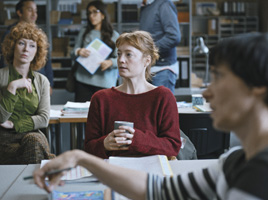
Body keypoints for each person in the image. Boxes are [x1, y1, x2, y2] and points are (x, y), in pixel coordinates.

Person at [34, 32, 268, 199]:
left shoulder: (254, 170)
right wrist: (80, 157)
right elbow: (159, 191)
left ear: (257, 87)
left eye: (219, 77)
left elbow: (171, 148)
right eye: (119, 54)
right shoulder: (233, 163)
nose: (206, 92)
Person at [84, 30, 181, 159]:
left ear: (147, 61)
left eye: (128, 54)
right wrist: (104, 144)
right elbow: (89, 147)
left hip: (151, 173)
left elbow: (172, 146)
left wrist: (136, 139)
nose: (121, 60)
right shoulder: (101, 98)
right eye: (119, 54)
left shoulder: (163, 97)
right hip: (112, 173)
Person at [0, 22, 55, 164]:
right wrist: (12, 87)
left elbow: (43, 119)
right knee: (34, 146)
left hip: (31, 134)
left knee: (34, 141)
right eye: (21, 43)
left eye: (32, 45)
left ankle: (33, 184)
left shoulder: (42, 81)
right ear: (13, 46)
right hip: (3, 137)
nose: (26, 49)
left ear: (37, 51)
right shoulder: (1, 77)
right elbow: (1, 118)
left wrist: (14, 124)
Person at [0, 0, 54, 95]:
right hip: (17, 85)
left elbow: (47, 60)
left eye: (36, 11)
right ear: (19, 12)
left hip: (38, 84)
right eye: (30, 10)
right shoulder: (10, 34)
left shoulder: (39, 34)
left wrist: (50, 84)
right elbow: (5, 61)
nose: (34, 14)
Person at [72, 0, 119, 102]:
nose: (91, 16)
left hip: (104, 82)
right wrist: (78, 51)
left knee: (104, 115)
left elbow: (121, 58)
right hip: (83, 81)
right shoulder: (84, 32)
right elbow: (72, 53)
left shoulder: (114, 35)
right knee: (81, 115)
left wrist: (110, 62)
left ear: (103, 14)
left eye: (95, 12)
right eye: (89, 13)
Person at [139, 0, 181, 94]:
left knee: (162, 107)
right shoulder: (145, 7)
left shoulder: (164, 4)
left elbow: (173, 37)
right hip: (149, 69)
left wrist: (148, 49)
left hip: (163, 70)